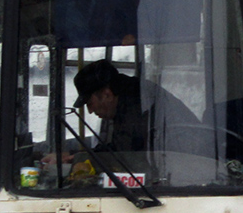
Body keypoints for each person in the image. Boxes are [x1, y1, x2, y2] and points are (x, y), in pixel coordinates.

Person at [72, 59, 200, 154]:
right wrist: (75, 157)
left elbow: (124, 157)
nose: (89, 111)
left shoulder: (138, 103)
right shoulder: (129, 96)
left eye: (90, 103)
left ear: (107, 94)